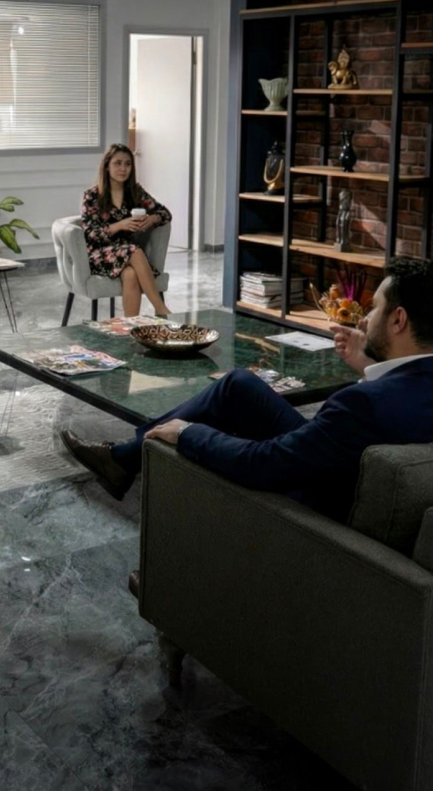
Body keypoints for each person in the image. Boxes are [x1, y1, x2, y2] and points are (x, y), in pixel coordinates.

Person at [61, 257, 433, 522]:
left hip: (319, 500)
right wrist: (367, 366)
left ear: (398, 320)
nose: (364, 318)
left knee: (192, 437)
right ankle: (123, 458)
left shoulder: (360, 405)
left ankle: (136, 480)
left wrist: (188, 433)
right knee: (238, 385)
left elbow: (262, 464)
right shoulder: (399, 391)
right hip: (341, 466)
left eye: (375, 308)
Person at [82, 144, 172, 317]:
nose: (123, 169)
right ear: (107, 166)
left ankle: (131, 326)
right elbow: (90, 234)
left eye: (127, 164)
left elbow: (165, 213)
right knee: (135, 251)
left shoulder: (135, 192)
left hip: (127, 254)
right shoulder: (92, 195)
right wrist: (119, 225)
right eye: (117, 163)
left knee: (130, 274)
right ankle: (160, 309)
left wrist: (151, 219)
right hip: (100, 254)